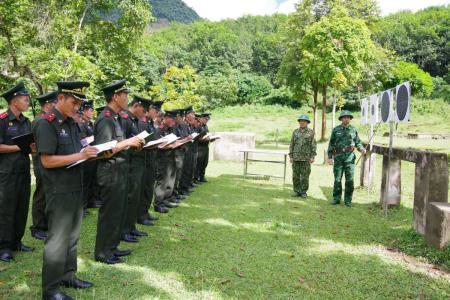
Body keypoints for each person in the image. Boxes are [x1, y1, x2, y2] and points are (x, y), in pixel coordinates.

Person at [34, 81, 99, 300]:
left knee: (72, 237)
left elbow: (76, 150)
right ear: (60, 98)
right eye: (73, 102)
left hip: (75, 186)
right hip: (59, 190)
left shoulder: (71, 123)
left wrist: (90, 152)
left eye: (80, 103)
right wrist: (81, 156)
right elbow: (48, 161)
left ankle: (68, 275)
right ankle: (50, 290)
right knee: (57, 241)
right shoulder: (46, 123)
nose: (77, 107)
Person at [93, 79, 144, 264]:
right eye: (124, 95)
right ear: (115, 97)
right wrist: (128, 142)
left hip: (120, 169)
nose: (127, 99)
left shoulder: (115, 118)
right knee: (110, 212)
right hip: (110, 170)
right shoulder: (105, 119)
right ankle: (103, 252)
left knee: (118, 211)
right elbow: (102, 150)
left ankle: (112, 247)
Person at [0, 82, 34, 263]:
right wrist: (17, 147)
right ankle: (4, 246)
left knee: (22, 206)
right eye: (25, 99)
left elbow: (28, 145)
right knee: (6, 208)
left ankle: (16, 241)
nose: (27, 102)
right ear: (14, 101)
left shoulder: (26, 121)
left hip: (22, 170)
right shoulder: (3, 120)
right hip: (6, 172)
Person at [30, 91, 57, 240]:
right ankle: (38, 226)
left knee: (47, 192)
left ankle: (45, 222)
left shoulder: (47, 120)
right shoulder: (39, 121)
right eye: (54, 103)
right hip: (40, 161)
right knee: (41, 193)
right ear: (47, 104)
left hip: (47, 160)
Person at [327, 110, 366, 207]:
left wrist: (361, 149)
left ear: (350, 119)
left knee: (349, 180)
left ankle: (348, 200)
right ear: (341, 119)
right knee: (337, 179)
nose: (346, 119)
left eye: (348, 117)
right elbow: (331, 144)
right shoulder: (336, 130)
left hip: (350, 158)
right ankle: (336, 199)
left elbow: (358, 142)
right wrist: (329, 157)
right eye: (344, 117)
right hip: (338, 158)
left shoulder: (353, 130)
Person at [137, 100, 162, 223]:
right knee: (144, 188)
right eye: (156, 111)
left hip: (152, 159)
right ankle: (140, 214)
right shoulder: (142, 123)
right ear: (150, 109)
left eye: (158, 112)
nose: (157, 113)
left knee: (149, 188)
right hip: (145, 159)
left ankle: (145, 212)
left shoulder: (151, 123)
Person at [154, 110, 179, 213]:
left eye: (174, 119)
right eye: (171, 119)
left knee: (170, 180)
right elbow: (158, 145)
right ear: (165, 118)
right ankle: (158, 203)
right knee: (162, 181)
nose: (173, 121)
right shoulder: (159, 130)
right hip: (162, 159)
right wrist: (171, 145)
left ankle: (166, 200)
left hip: (171, 157)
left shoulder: (170, 129)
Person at [289, 114, 316, 198]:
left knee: (305, 176)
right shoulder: (295, 132)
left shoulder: (311, 132)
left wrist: (312, 156)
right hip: (296, 157)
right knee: (295, 176)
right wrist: (291, 156)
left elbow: (314, 145)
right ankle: (297, 191)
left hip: (306, 158)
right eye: (301, 121)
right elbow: (292, 144)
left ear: (307, 122)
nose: (302, 122)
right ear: (299, 122)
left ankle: (303, 191)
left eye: (304, 121)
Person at [195, 113, 211, 183]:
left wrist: (210, 139)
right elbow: (196, 138)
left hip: (206, 147)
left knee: (205, 162)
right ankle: (196, 178)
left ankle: (202, 177)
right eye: (206, 119)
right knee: (199, 163)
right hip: (200, 147)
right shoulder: (198, 126)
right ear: (201, 118)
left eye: (208, 119)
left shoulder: (206, 126)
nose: (207, 121)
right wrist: (203, 139)